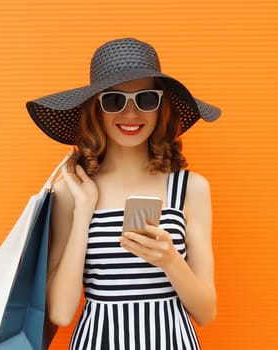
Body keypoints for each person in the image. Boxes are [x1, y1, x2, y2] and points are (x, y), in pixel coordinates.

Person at [26, 37, 221, 350]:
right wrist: (84, 210)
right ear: (97, 110)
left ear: (160, 109)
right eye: (115, 101)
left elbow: (206, 312)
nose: (131, 113)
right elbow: (61, 313)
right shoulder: (70, 193)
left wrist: (170, 259)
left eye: (145, 99)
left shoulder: (191, 188)